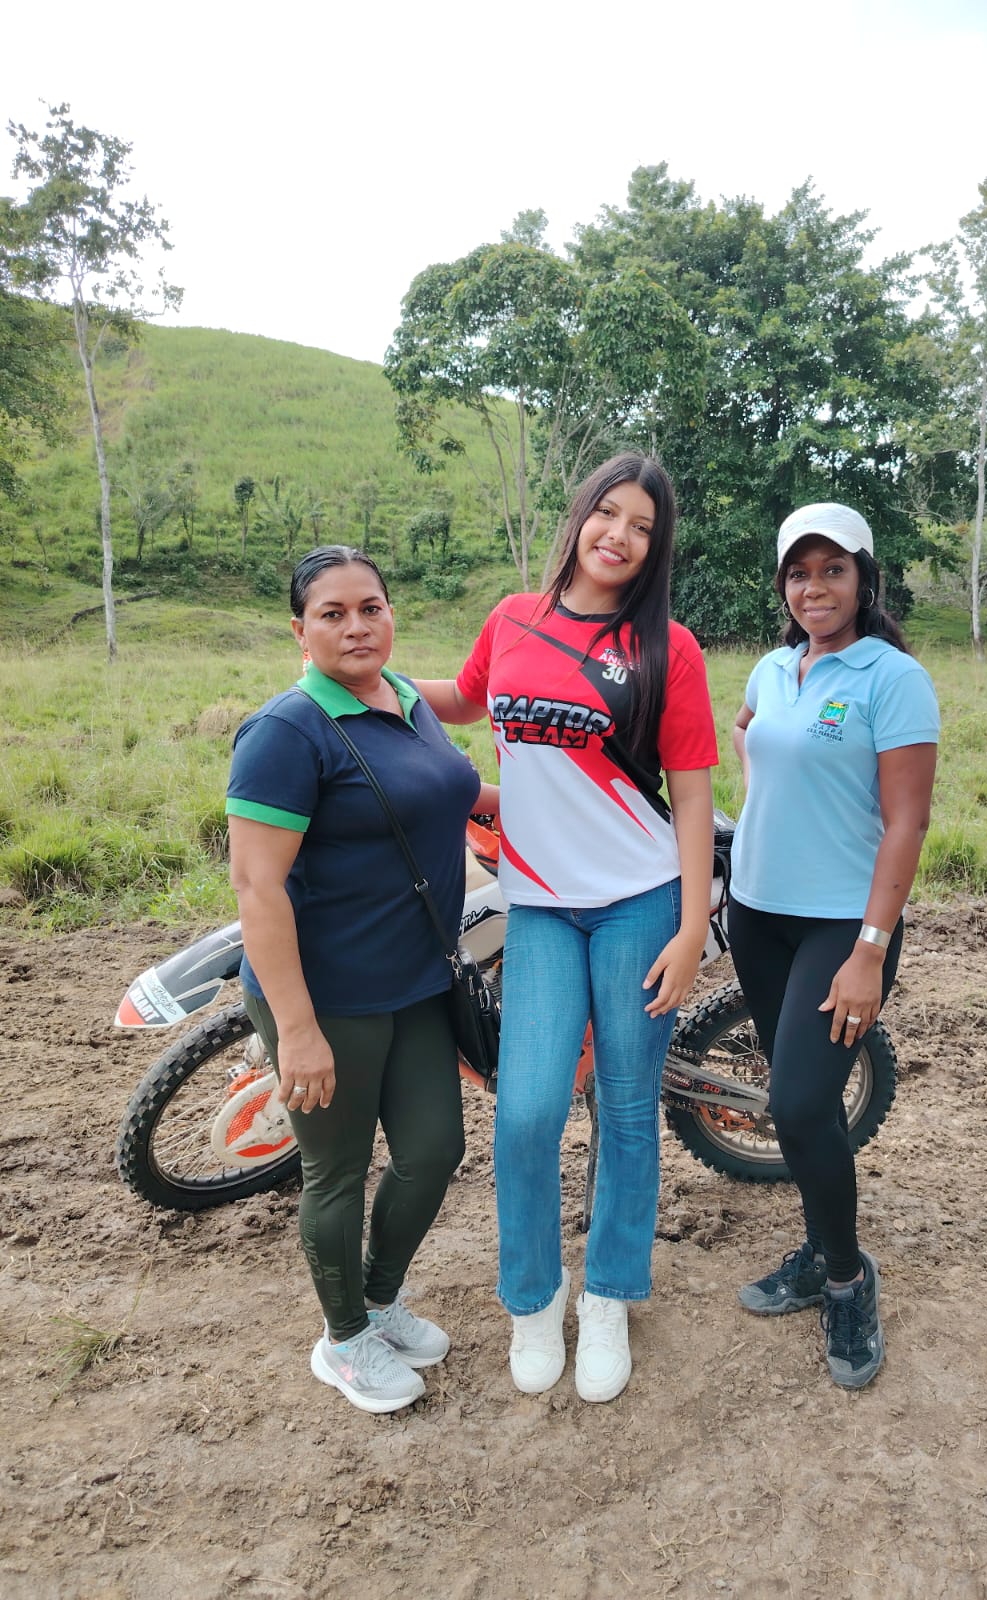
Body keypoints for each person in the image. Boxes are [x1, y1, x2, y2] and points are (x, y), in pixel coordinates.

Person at [416, 452, 718, 1403]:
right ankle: (534, 1301)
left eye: (642, 526)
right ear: (581, 515)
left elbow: (694, 796)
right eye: (608, 513)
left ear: (656, 547)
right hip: (541, 905)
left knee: (626, 1110)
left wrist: (691, 926)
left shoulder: (668, 648)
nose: (619, 536)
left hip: (641, 901)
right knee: (527, 1112)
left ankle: (610, 1294)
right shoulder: (514, 618)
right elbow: (463, 699)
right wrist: (365, 674)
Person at [225, 546, 497, 1414]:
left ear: (390, 614)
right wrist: (297, 1030)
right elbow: (257, 887)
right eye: (333, 614)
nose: (356, 627)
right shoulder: (287, 732)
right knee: (336, 1172)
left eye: (370, 608)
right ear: (299, 631)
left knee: (433, 1151)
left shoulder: (404, 697)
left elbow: (441, 792)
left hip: (416, 979)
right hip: (325, 994)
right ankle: (342, 1340)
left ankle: (378, 1301)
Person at [729, 503, 939, 1389]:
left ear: (864, 579)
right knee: (798, 1099)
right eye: (799, 573)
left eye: (833, 571)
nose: (814, 588)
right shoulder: (774, 669)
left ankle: (846, 1280)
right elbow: (746, 731)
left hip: (839, 926)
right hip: (755, 912)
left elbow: (907, 822)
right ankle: (821, 1251)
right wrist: (757, 811)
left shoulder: (892, 677)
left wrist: (870, 950)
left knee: (800, 1102)